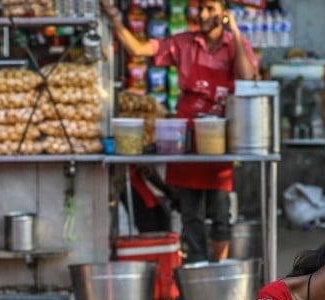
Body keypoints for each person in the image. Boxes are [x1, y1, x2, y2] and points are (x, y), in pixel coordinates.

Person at [100, 0, 258, 263]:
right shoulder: (183, 43)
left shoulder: (234, 47)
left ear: (223, 13)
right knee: (191, 217)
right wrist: (114, 17)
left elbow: (248, 77)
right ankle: (197, 270)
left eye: (211, 9)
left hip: (219, 142)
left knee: (221, 216)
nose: (204, 14)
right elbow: (137, 49)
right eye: (201, 9)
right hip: (185, 141)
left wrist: (237, 33)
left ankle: (220, 271)